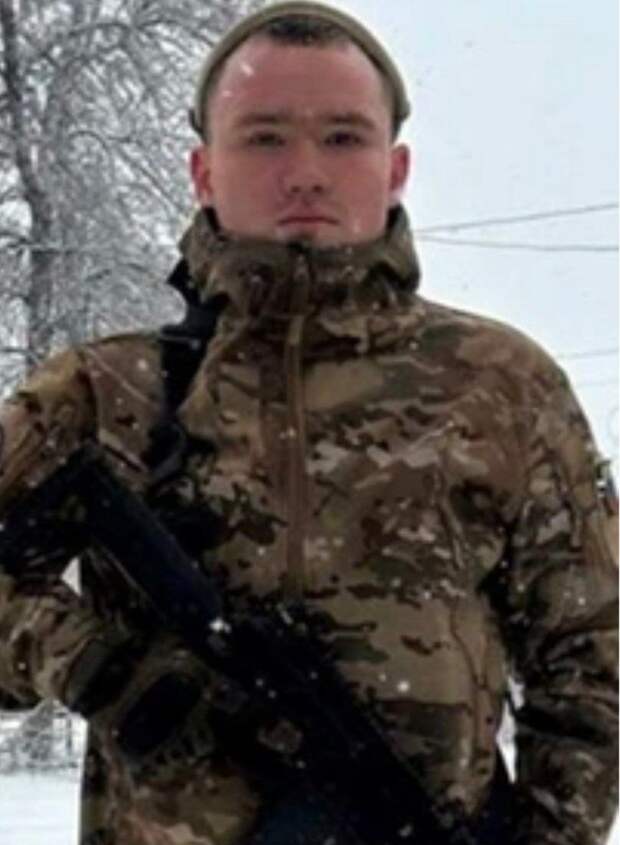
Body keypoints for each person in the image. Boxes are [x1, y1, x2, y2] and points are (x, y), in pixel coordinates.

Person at [0, 2, 617, 844]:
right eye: (264, 137)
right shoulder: (104, 392)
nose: (305, 173)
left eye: (342, 137)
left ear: (395, 167)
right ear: (203, 171)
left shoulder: (504, 386)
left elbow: (590, 660)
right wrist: (83, 658)